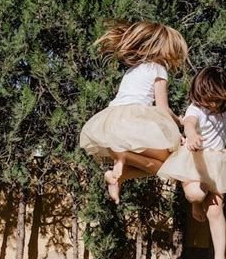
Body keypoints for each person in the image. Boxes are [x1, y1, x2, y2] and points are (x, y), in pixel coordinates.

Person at [157, 61, 226, 259]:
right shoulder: (195, 108)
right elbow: (190, 123)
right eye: (207, 97)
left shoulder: (225, 102)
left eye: (216, 98)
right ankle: (194, 204)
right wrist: (191, 135)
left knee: (215, 210)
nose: (211, 103)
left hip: (217, 162)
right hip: (195, 159)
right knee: (196, 194)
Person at [80, 20, 188, 204]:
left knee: (154, 165)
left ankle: (117, 176)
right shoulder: (159, 69)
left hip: (113, 121)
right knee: (167, 163)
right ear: (162, 48)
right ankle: (123, 157)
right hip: (135, 121)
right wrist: (179, 122)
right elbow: (162, 108)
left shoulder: (132, 70)